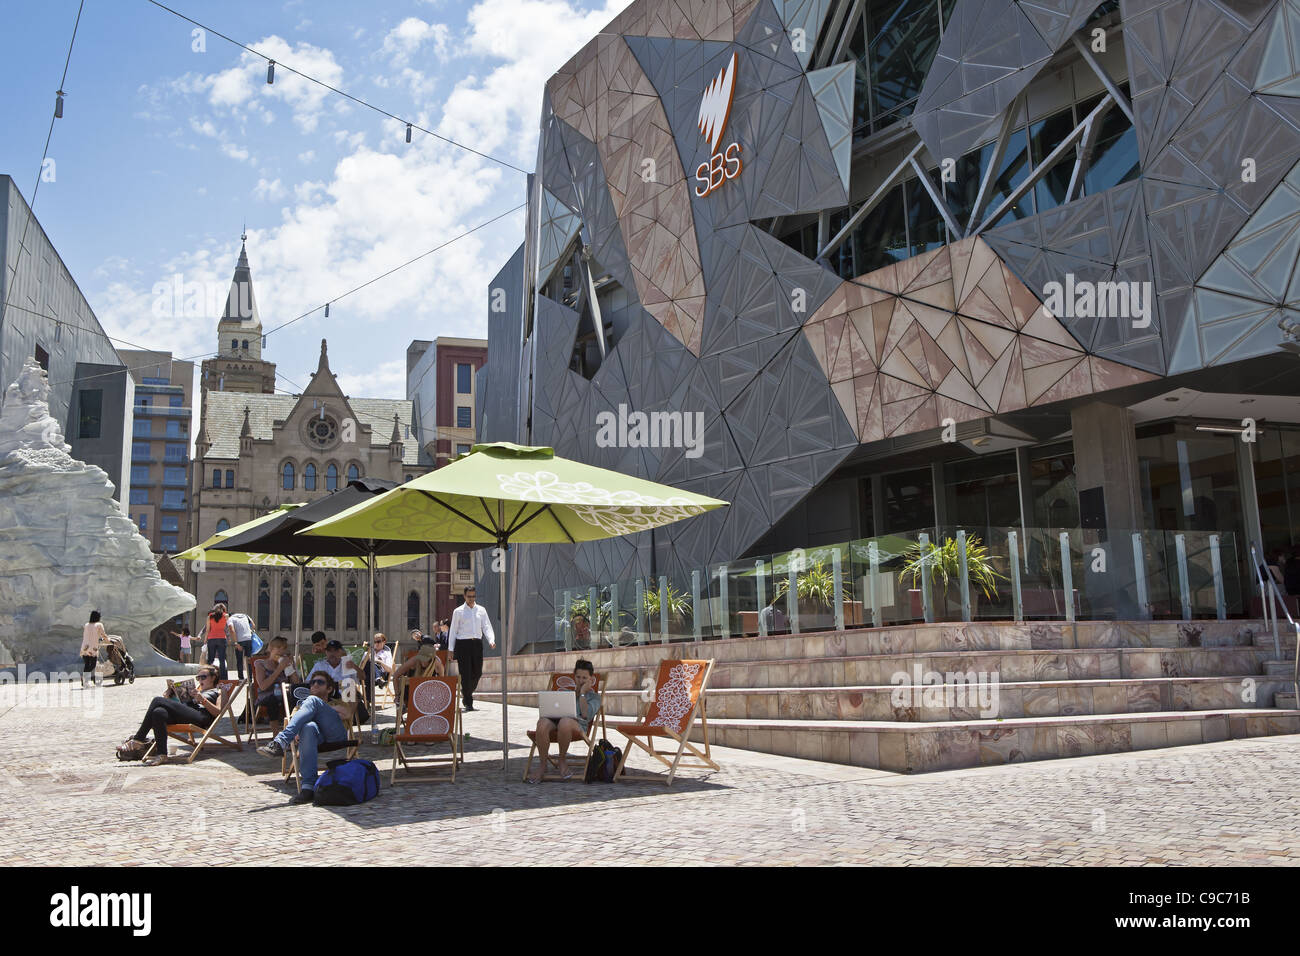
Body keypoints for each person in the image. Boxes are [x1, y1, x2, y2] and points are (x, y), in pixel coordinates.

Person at [257, 672, 350, 804]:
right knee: (308, 726)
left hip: (336, 735)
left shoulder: (337, 702)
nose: (315, 684)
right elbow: (295, 728)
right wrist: (312, 714)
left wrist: (318, 710)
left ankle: (281, 741)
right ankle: (308, 787)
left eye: (320, 682)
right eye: (312, 683)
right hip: (314, 737)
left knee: (312, 704)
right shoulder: (300, 707)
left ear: (329, 689)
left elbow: (346, 714)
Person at [118, 665, 223, 766]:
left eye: (203, 677)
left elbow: (218, 712)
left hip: (202, 717)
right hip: (188, 714)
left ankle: (138, 739)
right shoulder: (196, 691)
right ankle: (162, 754)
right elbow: (179, 707)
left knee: (157, 700)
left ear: (213, 678)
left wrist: (203, 700)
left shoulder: (219, 691)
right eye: (198, 678)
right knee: (158, 712)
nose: (200, 680)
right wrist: (170, 695)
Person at [527, 659, 600, 783]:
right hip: (556, 722)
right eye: (578, 677)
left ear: (591, 679)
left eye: (584, 678)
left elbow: (586, 714)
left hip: (577, 727)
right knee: (542, 723)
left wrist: (582, 693)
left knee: (565, 722)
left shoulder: (595, 697)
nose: (581, 681)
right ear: (574, 677)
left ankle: (561, 760)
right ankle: (542, 765)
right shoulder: (565, 693)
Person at [449, 586, 495, 711]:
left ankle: (466, 692)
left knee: (477, 672)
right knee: (465, 674)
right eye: (469, 596)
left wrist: (491, 640)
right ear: (464, 596)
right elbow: (453, 631)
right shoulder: (458, 611)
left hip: (477, 644)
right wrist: (450, 649)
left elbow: (486, 626)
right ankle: (468, 702)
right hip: (462, 644)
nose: (471, 599)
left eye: (473, 596)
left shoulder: (481, 610)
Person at [308, 640, 368, 724]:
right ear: (326, 652)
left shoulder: (347, 664)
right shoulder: (320, 665)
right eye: (329, 651)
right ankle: (342, 721)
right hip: (325, 695)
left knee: (352, 691)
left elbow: (363, 677)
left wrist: (354, 666)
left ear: (341, 652)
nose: (332, 654)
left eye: (335, 651)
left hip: (345, 696)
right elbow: (308, 682)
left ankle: (347, 719)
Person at [251, 637, 298, 726]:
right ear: (271, 649)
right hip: (267, 695)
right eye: (279, 648)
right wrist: (279, 669)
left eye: (284, 648)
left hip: (284, 693)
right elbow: (263, 686)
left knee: (295, 698)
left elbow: (296, 683)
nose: (282, 652)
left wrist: (291, 668)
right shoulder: (261, 664)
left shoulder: (286, 663)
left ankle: (293, 729)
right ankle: (275, 734)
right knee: (272, 701)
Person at [199, 603, 231, 681]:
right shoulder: (226, 616)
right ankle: (224, 679)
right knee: (222, 659)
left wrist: (205, 640)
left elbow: (207, 630)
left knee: (210, 660)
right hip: (222, 639)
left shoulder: (210, 617)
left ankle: (210, 678)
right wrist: (229, 638)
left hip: (211, 639)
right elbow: (228, 627)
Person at [80, 611, 108, 688]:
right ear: (97, 617)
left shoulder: (86, 625)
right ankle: (84, 678)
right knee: (92, 665)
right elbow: (103, 634)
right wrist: (108, 641)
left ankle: (85, 683)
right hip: (93, 648)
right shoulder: (99, 625)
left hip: (84, 648)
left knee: (87, 665)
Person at [228, 610, 256, 680]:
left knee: (239, 660)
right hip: (248, 639)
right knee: (249, 659)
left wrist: (236, 642)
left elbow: (231, 629)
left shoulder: (230, 619)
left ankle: (241, 678)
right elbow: (253, 625)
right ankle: (250, 677)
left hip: (240, 641)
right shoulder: (246, 616)